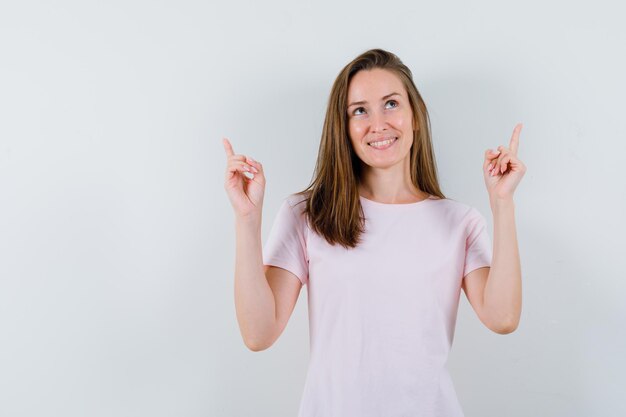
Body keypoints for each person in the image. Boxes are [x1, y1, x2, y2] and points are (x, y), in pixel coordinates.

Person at [222, 48, 525, 417]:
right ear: (344, 127)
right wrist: (247, 220)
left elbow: (503, 317)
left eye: (392, 104)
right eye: (359, 110)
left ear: (415, 117)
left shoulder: (459, 221)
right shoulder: (308, 214)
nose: (378, 124)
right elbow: (258, 333)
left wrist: (502, 204)